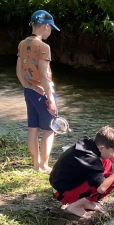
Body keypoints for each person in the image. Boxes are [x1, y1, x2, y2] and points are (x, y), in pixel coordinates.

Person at [49, 126, 114, 218]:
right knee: (111, 182)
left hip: (60, 184)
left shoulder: (88, 144)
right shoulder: (91, 161)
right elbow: (102, 189)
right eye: (112, 151)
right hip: (62, 193)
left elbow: (108, 156)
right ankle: (74, 206)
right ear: (101, 148)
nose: (113, 154)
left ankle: (84, 203)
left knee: (106, 161)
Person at [16, 10, 60, 173]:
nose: (50, 32)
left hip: (29, 92)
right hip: (43, 93)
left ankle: (36, 164)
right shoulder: (44, 47)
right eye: (51, 29)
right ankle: (44, 165)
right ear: (46, 27)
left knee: (32, 128)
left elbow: (18, 72)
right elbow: (43, 75)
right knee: (50, 129)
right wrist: (51, 98)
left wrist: (28, 86)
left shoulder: (22, 44)